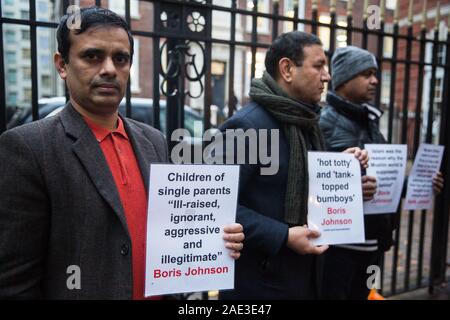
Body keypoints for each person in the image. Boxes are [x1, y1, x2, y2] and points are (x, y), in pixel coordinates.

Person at [0, 7, 244, 299]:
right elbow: (15, 283)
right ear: (62, 65)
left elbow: (169, 235)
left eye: (121, 58)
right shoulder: (28, 148)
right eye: (92, 56)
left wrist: (213, 239)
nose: (109, 69)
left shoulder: (153, 140)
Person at [214, 31, 371, 300]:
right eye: (318, 66)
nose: (327, 76)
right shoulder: (247, 126)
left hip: (307, 279)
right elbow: (214, 204)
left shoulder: (309, 123)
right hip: (261, 285)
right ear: (287, 69)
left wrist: (344, 173)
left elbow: (310, 189)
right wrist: (283, 235)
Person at [319, 46, 444, 299]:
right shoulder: (324, 123)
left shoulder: (371, 122)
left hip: (374, 242)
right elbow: (315, 182)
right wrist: (351, 189)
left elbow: (386, 178)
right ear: (344, 79)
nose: (374, 80)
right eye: (366, 74)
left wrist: (418, 183)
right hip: (340, 248)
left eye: (374, 73)